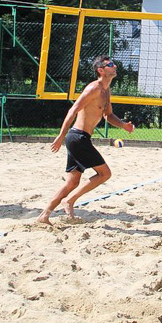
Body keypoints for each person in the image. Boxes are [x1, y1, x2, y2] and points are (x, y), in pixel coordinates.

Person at [36, 56, 134, 225]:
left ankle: (44, 215)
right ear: (101, 70)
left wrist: (123, 125)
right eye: (110, 64)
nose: (115, 65)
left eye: (113, 63)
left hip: (81, 138)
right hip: (77, 137)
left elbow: (108, 115)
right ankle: (70, 201)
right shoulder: (93, 88)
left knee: (72, 182)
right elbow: (73, 110)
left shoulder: (106, 90)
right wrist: (60, 136)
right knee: (105, 174)